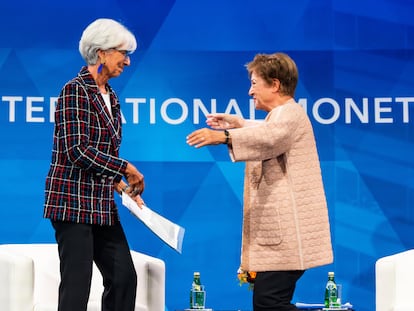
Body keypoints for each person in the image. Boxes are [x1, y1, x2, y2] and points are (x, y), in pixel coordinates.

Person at [186, 52, 333, 311]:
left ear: (275, 84)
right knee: (268, 302)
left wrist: (223, 137)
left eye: (254, 83)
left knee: (269, 303)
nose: (250, 91)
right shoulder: (283, 115)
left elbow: (270, 137)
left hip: (288, 235)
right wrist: (238, 123)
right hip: (282, 237)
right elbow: (268, 130)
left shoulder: (289, 114)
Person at [44, 18, 145, 311]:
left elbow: (99, 154)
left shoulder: (110, 96)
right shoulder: (74, 90)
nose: (127, 61)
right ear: (100, 52)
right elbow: (77, 150)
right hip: (71, 202)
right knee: (77, 285)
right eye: (122, 53)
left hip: (100, 203)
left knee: (124, 277)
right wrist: (125, 166)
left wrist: (119, 184)